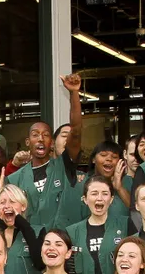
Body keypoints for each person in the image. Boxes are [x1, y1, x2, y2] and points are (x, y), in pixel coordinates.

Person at [6, 74, 87, 233]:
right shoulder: (15, 179)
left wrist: (74, 94)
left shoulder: (64, 166)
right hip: (29, 249)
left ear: (51, 143)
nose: (41, 139)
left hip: (61, 246)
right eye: (35, 135)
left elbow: (76, 132)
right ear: (28, 142)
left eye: (46, 135)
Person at [68, 175, 134, 274]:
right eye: (94, 193)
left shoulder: (126, 224)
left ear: (111, 199)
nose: (99, 198)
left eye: (105, 193)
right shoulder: (72, 232)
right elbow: (69, 271)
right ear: (85, 199)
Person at [0, 185, 44, 274]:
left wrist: (25, 227)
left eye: (12, 201)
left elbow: (40, 265)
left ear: (23, 206)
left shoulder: (38, 231)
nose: (7, 206)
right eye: (2, 202)